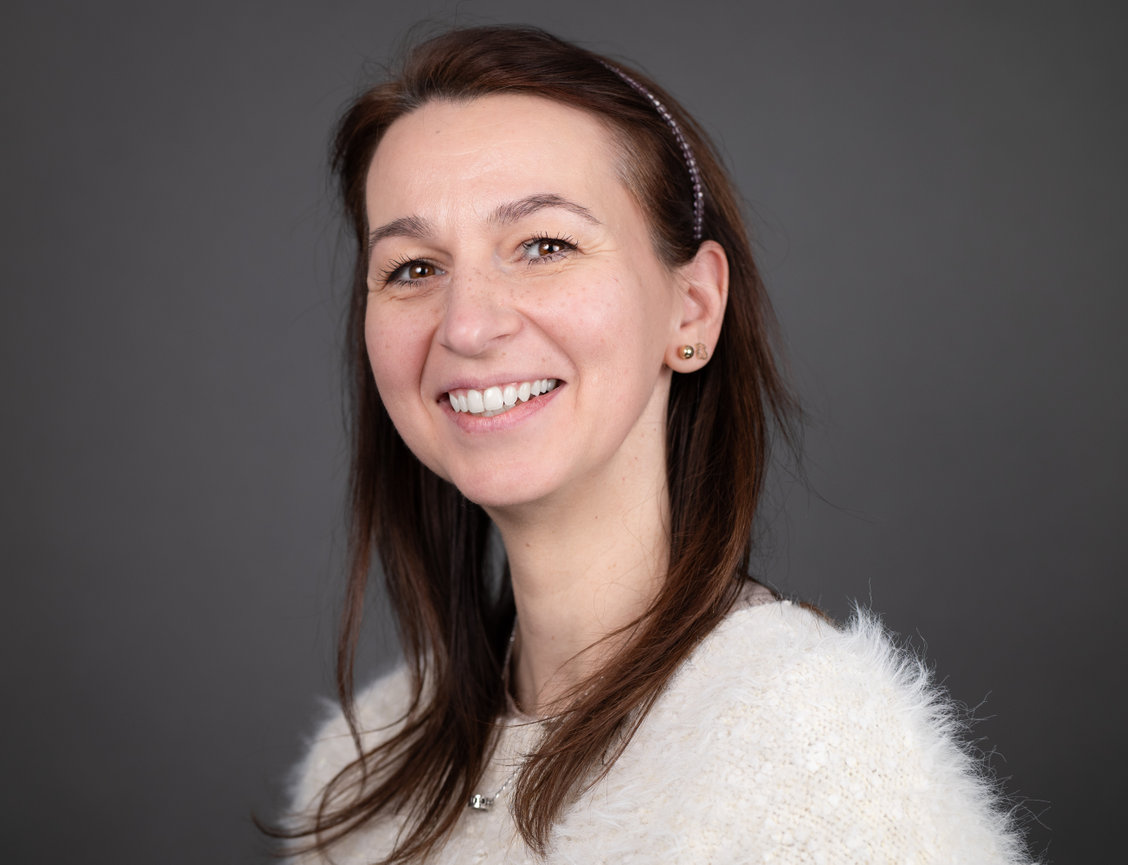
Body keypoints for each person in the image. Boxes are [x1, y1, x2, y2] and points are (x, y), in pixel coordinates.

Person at [278, 25, 1035, 864]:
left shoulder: (814, 751)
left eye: (545, 245)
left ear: (692, 309)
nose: (467, 325)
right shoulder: (357, 769)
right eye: (413, 268)